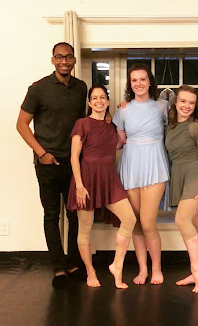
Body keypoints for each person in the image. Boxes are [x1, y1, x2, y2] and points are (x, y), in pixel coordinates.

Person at [16, 42, 87, 288]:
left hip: (74, 163)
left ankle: (74, 263)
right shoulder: (38, 88)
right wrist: (42, 153)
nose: (64, 61)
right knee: (51, 215)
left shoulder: (81, 88)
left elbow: (83, 121)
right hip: (48, 163)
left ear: (74, 60)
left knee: (75, 215)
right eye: (59, 57)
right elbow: (21, 124)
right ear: (53, 60)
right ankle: (58, 268)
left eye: (68, 57)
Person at [68, 85, 137, 289]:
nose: (98, 101)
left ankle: (117, 266)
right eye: (94, 98)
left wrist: (122, 110)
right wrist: (79, 186)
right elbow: (74, 157)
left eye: (102, 97)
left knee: (130, 219)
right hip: (87, 179)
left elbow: (121, 142)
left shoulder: (111, 125)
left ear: (107, 101)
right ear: (89, 102)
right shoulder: (82, 124)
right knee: (85, 227)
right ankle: (90, 271)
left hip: (109, 177)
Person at [113, 63, 169, 285]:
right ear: (130, 84)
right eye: (134, 80)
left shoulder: (162, 106)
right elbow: (120, 141)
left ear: (150, 82)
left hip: (155, 164)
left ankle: (157, 269)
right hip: (130, 165)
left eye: (143, 79)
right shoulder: (123, 110)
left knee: (147, 222)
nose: (139, 84)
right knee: (135, 222)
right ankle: (143, 269)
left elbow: (175, 130)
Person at [165, 85, 198, 294]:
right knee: (197, 225)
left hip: (196, 174)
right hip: (179, 174)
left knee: (182, 220)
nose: (187, 106)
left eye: (191, 103)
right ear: (175, 102)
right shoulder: (170, 126)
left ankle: (197, 270)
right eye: (183, 101)